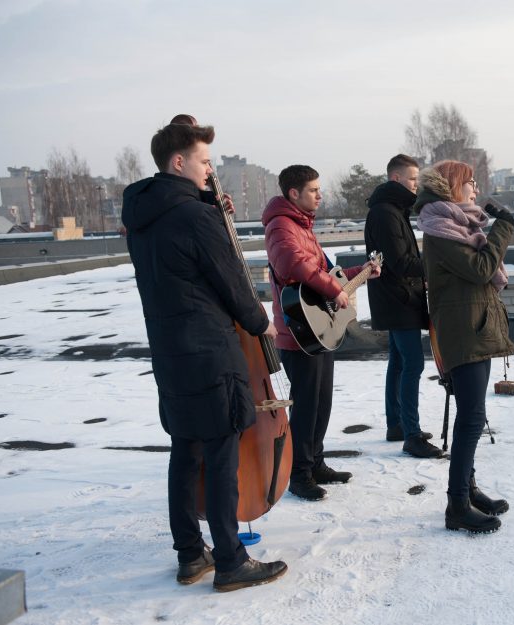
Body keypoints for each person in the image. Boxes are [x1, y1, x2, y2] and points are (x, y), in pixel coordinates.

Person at [122, 121, 286, 592]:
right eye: (205, 162)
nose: (210, 171)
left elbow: (182, 269)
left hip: (172, 355)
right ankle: (232, 562)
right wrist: (260, 323)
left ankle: (191, 554)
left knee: (185, 453)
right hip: (212, 353)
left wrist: (209, 206)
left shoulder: (143, 218)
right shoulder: (194, 217)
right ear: (180, 162)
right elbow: (228, 279)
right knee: (220, 458)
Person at [263, 165, 381, 501]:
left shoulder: (302, 226)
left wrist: (362, 272)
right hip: (297, 333)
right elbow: (292, 266)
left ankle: (315, 462)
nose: (320, 195)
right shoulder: (281, 226)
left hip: (317, 329)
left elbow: (326, 273)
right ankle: (299, 475)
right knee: (306, 406)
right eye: (314, 190)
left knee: (321, 402)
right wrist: (333, 289)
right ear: (294, 194)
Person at [414, 160, 514, 533]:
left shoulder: (458, 225)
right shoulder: (440, 230)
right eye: (469, 182)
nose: (475, 188)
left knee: (470, 415)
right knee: (472, 418)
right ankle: (456, 504)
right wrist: (503, 229)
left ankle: (468, 490)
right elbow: (480, 269)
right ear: (451, 187)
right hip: (461, 331)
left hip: (473, 326)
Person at [364, 154, 441, 457]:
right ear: (396, 179)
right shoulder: (385, 213)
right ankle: (411, 435)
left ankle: (397, 424)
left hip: (397, 299)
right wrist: (436, 264)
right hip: (398, 300)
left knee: (398, 363)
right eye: (412, 179)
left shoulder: (393, 209)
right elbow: (399, 262)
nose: (416, 185)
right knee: (413, 364)